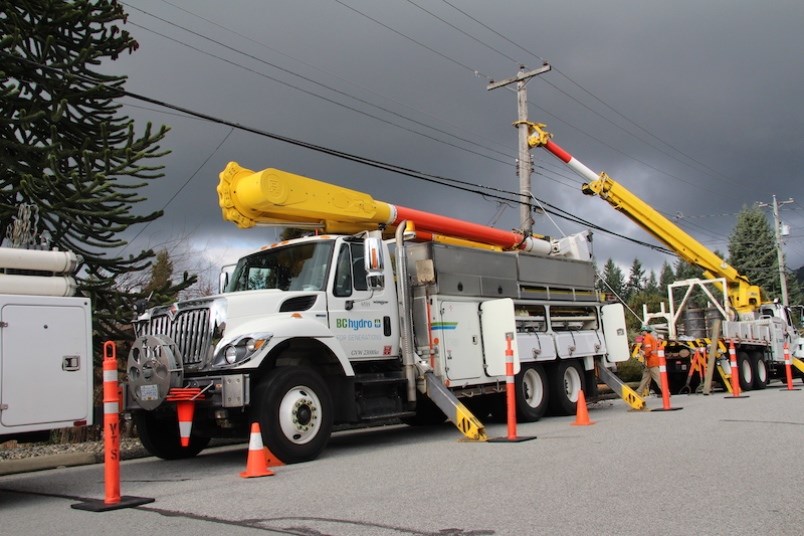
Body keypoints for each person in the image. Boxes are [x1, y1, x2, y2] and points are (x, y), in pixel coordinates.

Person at [636, 325, 663, 397]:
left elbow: (648, 350)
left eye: (641, 331)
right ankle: (638, 392)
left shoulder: (647, 338)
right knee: (645, 378)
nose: (641, 333)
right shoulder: (651, 337)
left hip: (652, 361)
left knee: (658, 378)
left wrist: (643, 353)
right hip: (650, 361)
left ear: (644, 331)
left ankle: (666, 391)